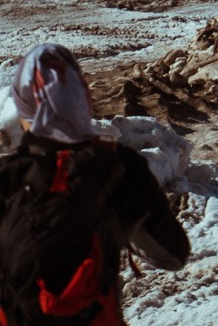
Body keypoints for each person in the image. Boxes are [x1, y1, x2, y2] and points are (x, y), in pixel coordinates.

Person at [0, 44, 189, 325]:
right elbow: (172, 256)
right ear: (81, 98)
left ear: (22, 110)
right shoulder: (116, 167)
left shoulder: (7, 176)